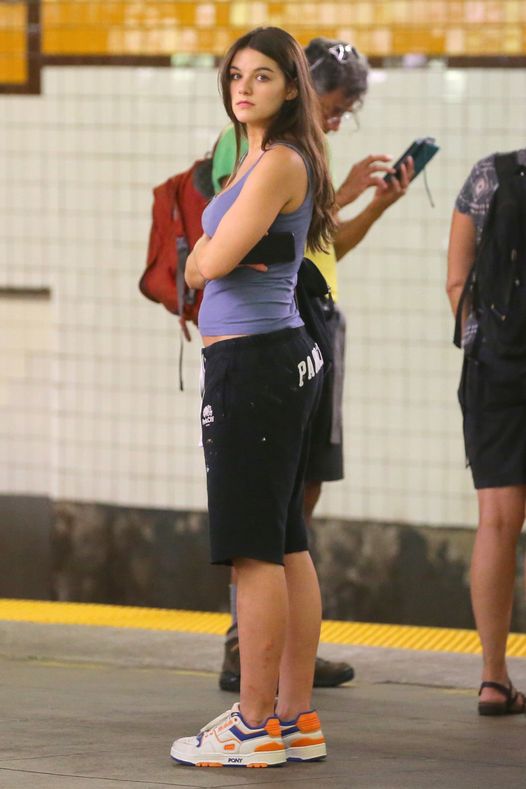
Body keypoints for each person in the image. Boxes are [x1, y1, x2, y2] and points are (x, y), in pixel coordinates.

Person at [214, 37, 414, 693]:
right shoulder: (257, 152)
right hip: (278, 337)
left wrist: (369, 201)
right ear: (304, 85)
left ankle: (264, 697)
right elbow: (233, 248)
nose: (336, 119)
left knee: (277, 525)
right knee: (280, 524)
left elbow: (244, 255)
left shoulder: (285, 157)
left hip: (284, 334)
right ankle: (272, 679)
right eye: (334, 104)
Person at [170, 27, 336, 767]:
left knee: (251, 552)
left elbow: (215, 257)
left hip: (255, 367)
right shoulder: (264, 158)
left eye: (262, 76)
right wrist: (208, 257)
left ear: (291, 87)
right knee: (284, 541)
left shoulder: (278, 163)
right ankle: (295, 717)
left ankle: (254, 721)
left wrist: (202, 257)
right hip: (274, 359)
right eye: (236, 75)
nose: (244, 87)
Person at [447, 148, 526, 715]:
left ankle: (493, 679)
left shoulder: (489, 175)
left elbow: (456, 283)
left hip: (494, 374)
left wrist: (492, 348)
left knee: (497, 522)